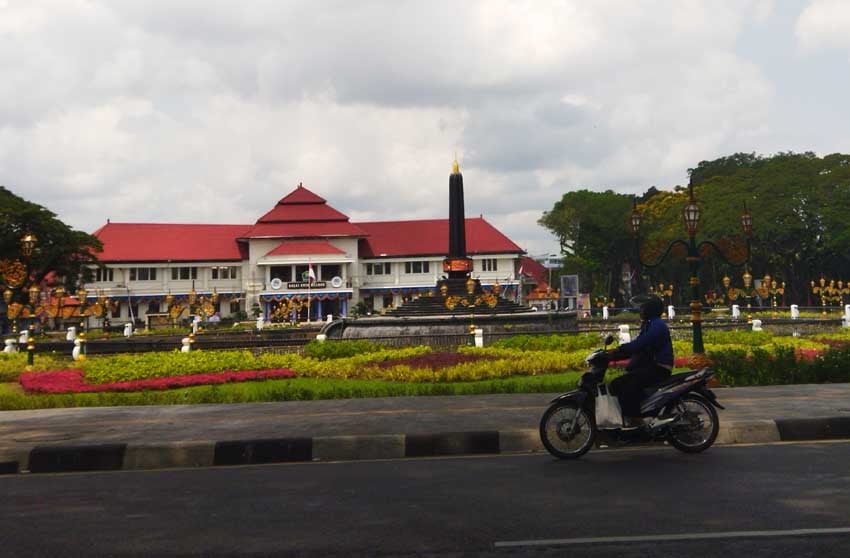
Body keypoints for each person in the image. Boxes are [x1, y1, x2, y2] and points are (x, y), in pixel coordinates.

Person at [605, 295, 673, 428]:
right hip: (651, 366)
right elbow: (636, 347)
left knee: (626, 385)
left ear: (650, 309)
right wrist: (614, 354)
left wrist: (617, 351)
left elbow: (639, 344)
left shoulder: (657, 325)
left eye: (643, 308)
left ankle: (636, 419)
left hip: (659, 368)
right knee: (616, 384)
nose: (640, 311)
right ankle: (637, 412)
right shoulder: (649, 324)